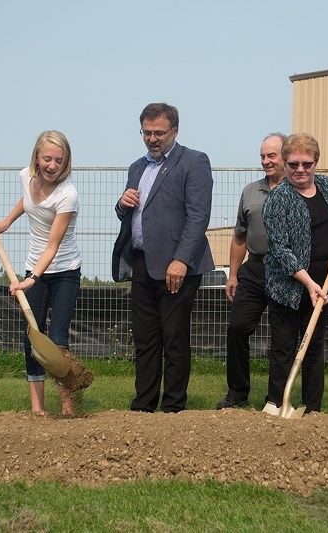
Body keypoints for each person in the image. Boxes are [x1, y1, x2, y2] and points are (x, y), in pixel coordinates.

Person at [112, 102, 214, 413]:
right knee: (145, 340)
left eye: (159, 132)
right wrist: (121, 203)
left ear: (175, 131)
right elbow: (128, 214)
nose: (152, 138)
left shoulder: (194, 161)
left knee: (174, 339)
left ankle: (173, 406)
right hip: (141, 262)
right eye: (147, 132)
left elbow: (198, 217)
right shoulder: (137, 167)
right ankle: (143, 405)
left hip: (177, 266)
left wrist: (181, 260)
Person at [0, 130, 86, 415]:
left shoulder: (68, 195)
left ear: (65, 162)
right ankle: (37, 410)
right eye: (47, 159)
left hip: (64, 270)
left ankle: (68, 404)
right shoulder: (25, 177)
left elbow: (53, 246)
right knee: (32, 337)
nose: (52, 166)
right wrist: (4, 223)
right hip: (34, 268)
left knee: (56, 340)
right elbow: (27, 201)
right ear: (37, 158)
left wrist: (32, 279)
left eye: (58, 160)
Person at [263, 133, 328, 414]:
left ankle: (312, 408)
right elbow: (280, 250)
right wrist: (308, 283)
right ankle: (275, 403)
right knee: (284, 347)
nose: (300, 170)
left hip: (325, 281)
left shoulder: (327, 186)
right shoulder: (277, 200)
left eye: (306, 164)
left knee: (314, 346)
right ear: (285, 164)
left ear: (315, 163)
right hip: (288, 285)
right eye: (293, 164)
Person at [216, 133, 287, 410]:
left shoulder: (297, 189)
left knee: (281, 337)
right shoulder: (250, 191)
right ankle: (237, 394)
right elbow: (239, 236)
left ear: (285, 156)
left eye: (272, 156)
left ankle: (276, 399)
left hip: (286, 273)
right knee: (237, 328)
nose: (266, 161)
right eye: (262, 156)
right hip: (254, 270)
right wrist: (233, 275)